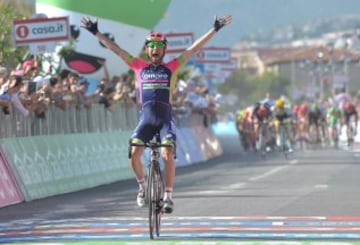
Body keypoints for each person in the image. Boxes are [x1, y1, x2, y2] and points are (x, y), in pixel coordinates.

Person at [81, 14, 232, 213]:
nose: (154, 50)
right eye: (151, 46)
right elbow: (116, 50)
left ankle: (168, 196)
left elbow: (194, 48)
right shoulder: (138, 66)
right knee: (134, 152)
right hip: (146, 118)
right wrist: (96, 32)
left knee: (167, 152)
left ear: (163, 50)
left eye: (158, 47)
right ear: (146, 50)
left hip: (164, 118)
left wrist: (215, 29)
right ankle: (142, 186)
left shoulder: (172, 67)